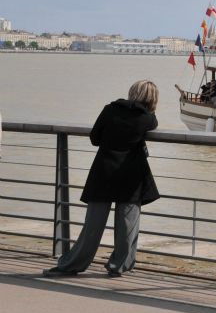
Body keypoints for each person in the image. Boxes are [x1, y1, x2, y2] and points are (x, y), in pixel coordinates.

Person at [44, 80, 160, 278]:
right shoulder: (147, 119)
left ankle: (71, 265)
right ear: (152, 99)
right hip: (131, 177)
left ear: (132, 92)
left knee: (92, 226)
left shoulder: (109, 109)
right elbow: (154, 123)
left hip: (103, 172)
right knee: (127, 226)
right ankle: (118, 266)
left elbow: (94, 138)